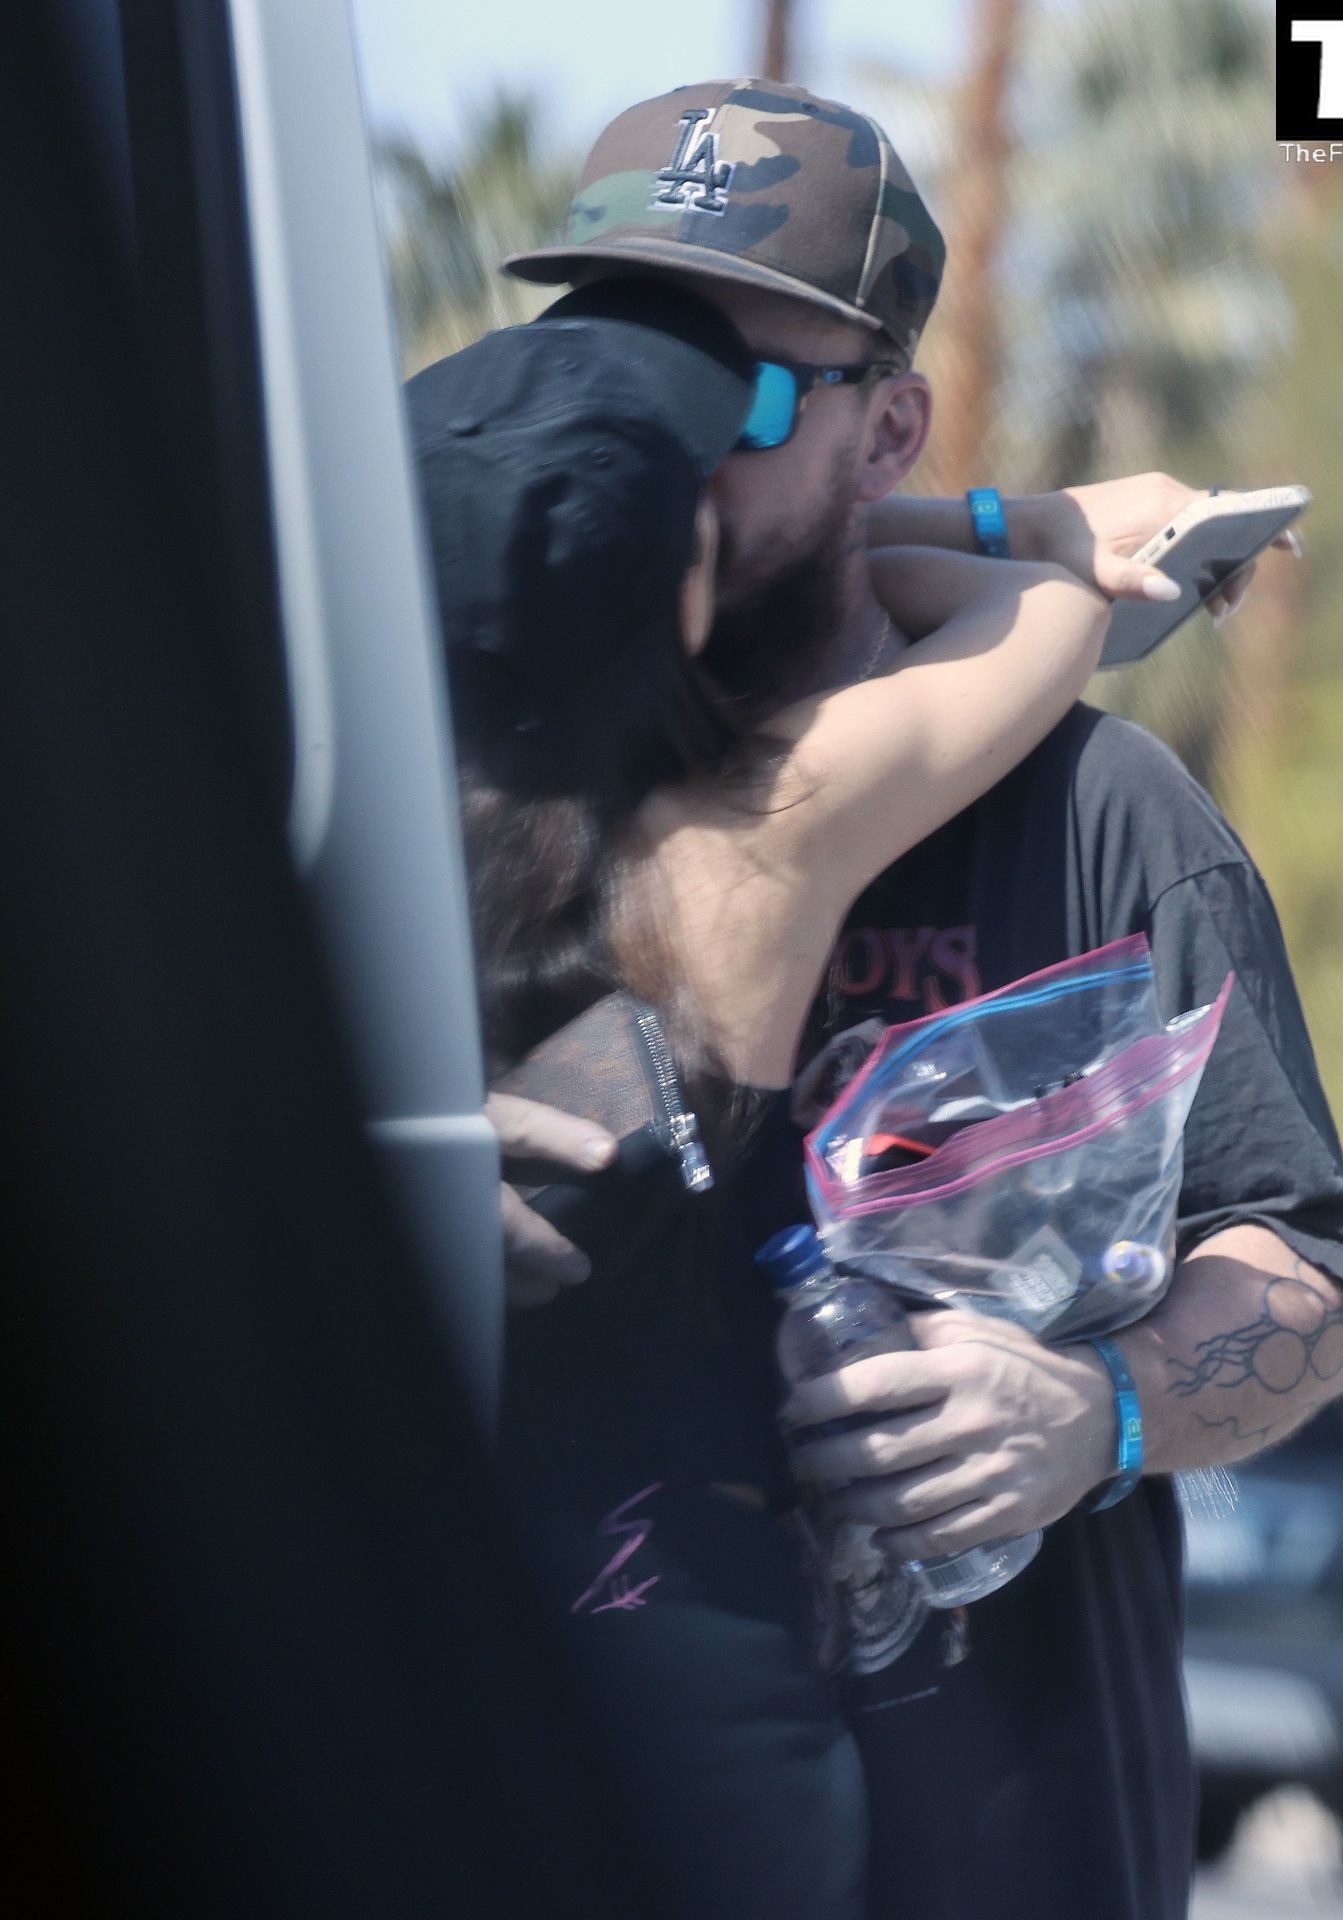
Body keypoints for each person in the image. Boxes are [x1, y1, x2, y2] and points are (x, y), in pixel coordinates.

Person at [491, 81, 1343, 1920]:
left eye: (741, 396)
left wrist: (1100, 1411)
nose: (668, 447)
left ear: (885, 425)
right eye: (619, 372)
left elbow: (1313, 1280)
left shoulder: (1100, 813)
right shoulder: (500, 801)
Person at [404, 275, 1189, 1917]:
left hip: (431, 1628)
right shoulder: (752, 840)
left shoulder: (346, 859)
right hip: (675, 1669)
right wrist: (1013, 516)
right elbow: (1040, 615)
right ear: (681, 585)